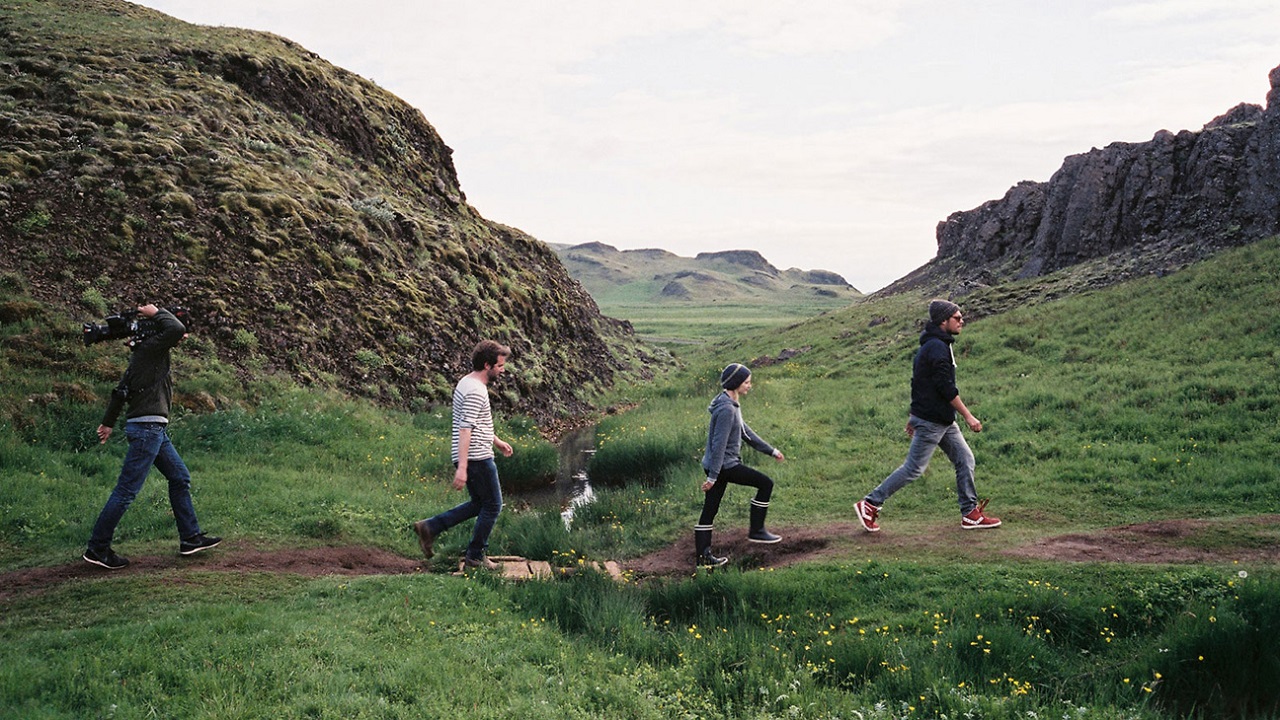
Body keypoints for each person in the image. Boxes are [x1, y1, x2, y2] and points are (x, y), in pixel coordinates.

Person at [84, 304, 221, 569]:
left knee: (179, 478)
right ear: (155, 335)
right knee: (126, 490)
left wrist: (108, 423)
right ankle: (97, 548)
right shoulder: (150, 350)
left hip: (152, 429)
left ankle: (190, 538)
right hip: (148, 430)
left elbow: (120, 391)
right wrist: (156, 312)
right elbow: (176, 328)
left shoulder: (142, 355)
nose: (183, 337)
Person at [854, 299, 1001, 533]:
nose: (962, 320)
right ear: (943, 321)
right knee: (914, 468)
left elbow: (919, 382)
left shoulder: (937, 344)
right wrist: (969, 416)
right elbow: (945, 387)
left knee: (965, 459)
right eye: (957, 317)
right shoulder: (936, 347)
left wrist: (914, 415)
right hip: (934, 420)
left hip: (941, 419)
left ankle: (970, 514)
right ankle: (870, 503)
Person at [412, 340, 514, 570]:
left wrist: (496, 441)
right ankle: (475, 557)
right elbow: (465, 428)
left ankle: (430, 527)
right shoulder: (476, 391)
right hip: (477, 457)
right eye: (499, 365)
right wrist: (462, 467)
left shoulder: (467, 383)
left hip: (478, 453)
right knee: (493, 506)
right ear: (487, 365)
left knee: (479, 503)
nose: (502, 369)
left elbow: (478, 423)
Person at [694, 362, 786, 567]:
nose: (749, 385)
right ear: (736, 383)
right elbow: (718, 446)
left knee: (710, 509)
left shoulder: (730, 402)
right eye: (746, 382)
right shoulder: (727, 409)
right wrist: (712, 478)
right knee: (765, 483)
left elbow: (745, 433)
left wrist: (771, 451)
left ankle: (703, 558)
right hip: (724, 466)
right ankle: (757, 531)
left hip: (717, 466)